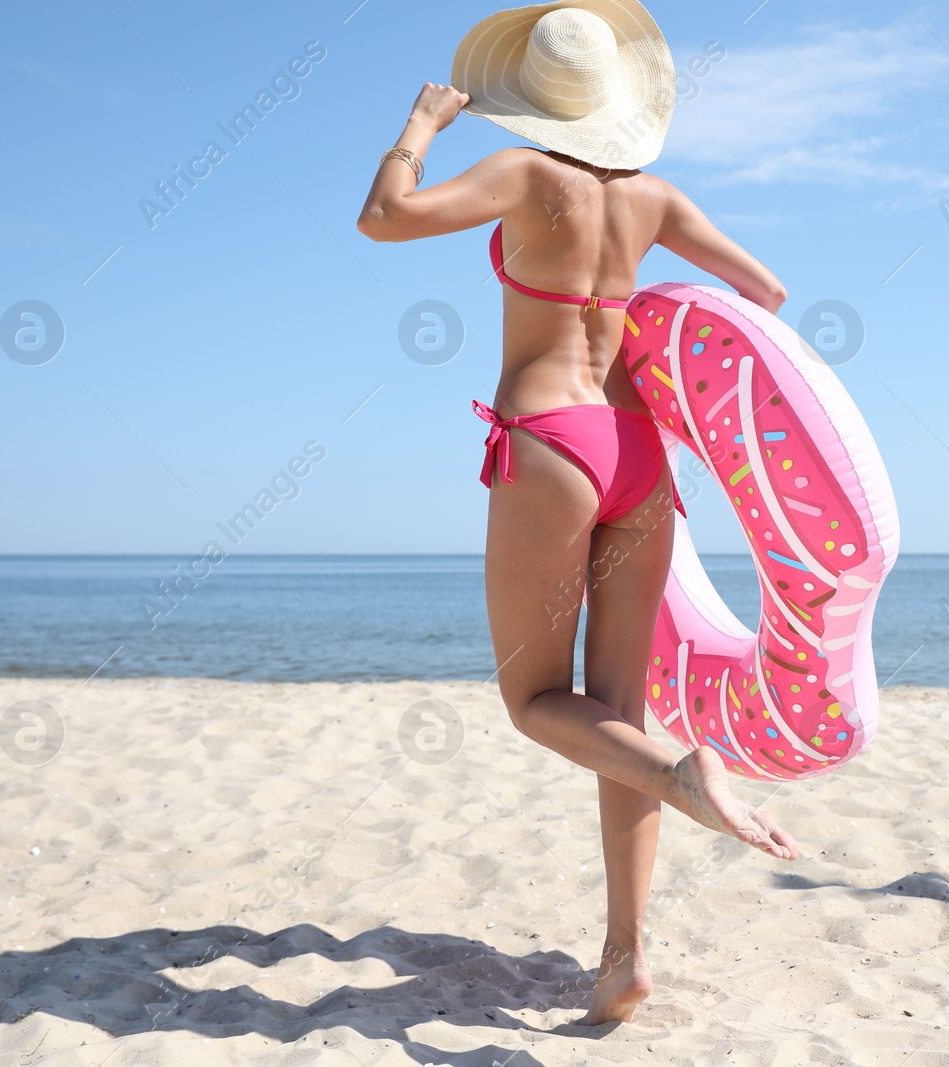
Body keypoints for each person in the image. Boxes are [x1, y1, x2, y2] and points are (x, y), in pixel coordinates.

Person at [357, 0, 796, 1025]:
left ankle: (685, 776)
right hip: (640, 451)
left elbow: (385, 218)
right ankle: (624, 954)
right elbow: (764, 292)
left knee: (536, 701)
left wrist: (419, 128)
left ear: (528, 101)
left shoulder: (522, 175)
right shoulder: (656, 199)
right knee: (613, 712)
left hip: (550, 441)